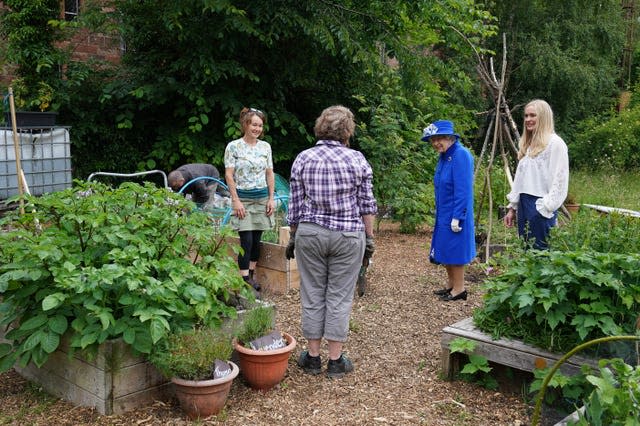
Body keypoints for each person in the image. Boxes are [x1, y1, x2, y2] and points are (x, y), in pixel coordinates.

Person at [285, 105, 377, 379]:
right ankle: (335, 361)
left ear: (320, 127)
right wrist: (369, 238)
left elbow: (295, 205)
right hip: (348, 235)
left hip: (310, 234)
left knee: (313, 293)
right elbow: (367, 205)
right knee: (339, 296)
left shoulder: (304, 158)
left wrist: (293, 235)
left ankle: (312, 358)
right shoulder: (357, 159)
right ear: (347, 132)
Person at [503, 99, 569, 250]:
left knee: (541, 254)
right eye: (526, 116)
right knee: (526, 251)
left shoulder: (555, 143)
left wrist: (546, 206)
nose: (528, 120)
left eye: (533, 115)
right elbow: (520, 180)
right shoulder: (529, 144)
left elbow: (560, 179)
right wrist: (513, 208)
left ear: (544, 117)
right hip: (524, 204)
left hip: (540, 205)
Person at [421, 120, 476, 302]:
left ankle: (460, 289)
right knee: (445, 249)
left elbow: (463, 190)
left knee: (456, 250)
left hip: (456, 213)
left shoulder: (461, 155)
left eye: (439, 139)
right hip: (444, 212)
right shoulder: (445, 156)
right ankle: (451, 285)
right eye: (433, 140)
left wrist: (458, 216)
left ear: (450, 137)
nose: (436, 143)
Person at [224, 107, 275, 292]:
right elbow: (229, 175)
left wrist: (271, 198)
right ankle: (243, 279)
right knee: (246, 240)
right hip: (243, 200)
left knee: (256, 240)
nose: (257, 129)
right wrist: (235, 200)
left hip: (261, 199)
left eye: (260, 125)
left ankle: (251, 276)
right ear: (246, 124)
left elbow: (269, 173)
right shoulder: (233, 147)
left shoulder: (265, 147)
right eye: (254, 124)